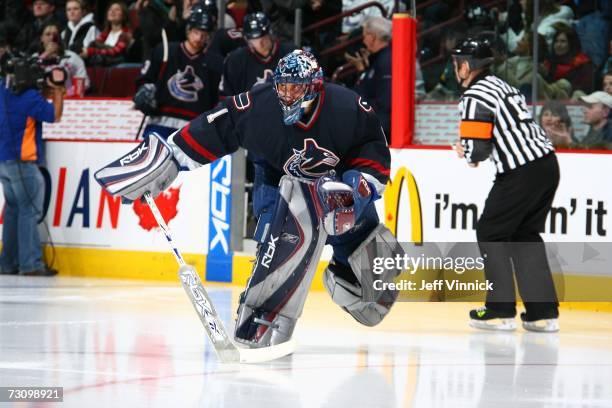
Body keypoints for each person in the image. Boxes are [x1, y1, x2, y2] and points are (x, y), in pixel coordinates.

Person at [96, 50, 400, 348]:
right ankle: (262, 320)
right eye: (283, 86)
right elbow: (217, 125)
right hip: (278, 178)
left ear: (314, 88)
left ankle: (354, 269)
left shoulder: (349, 107)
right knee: (279, 239)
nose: (287, 94)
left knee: (374, 298)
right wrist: (168, 158)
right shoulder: (259, 105)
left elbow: (372, 151)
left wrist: (356, 191)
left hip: (336, 186)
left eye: (295, 88)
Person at [451, 38, 560, 332]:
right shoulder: (502, 85)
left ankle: (499, 310)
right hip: (547, 165)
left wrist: (466, 151)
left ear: (466, 65)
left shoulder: (474, 96)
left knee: (490, 231)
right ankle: (543, 314)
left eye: (457, 62)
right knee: (525, 234)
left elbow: (478, 151)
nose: (455, 68)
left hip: (520, 171)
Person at [0, 40, 65, 276]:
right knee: (29, 211)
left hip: (3, 162)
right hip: (23, 162)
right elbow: (54, 116)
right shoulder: (28, 97)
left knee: (13, 210)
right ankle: (30, 264)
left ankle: (7, 263)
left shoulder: (2, 89)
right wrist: (58, 91)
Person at [133, 4, 222, 141]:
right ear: (188, 30)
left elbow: (217, 99)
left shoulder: (214, 63)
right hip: (160, 123)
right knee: (151, 162)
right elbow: (145, 79)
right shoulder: (165, 51)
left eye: (204, 35)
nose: (199, 38)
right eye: (196, 32)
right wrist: (143, 90)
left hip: (194, 129)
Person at [219, 12, 295, 97]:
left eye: (262, 36)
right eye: (254, 39)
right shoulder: (235, 61)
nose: (260, 43)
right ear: (246, 38)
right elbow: (226, 99)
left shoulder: (293, 54)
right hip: (249, 110)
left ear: (270, 33)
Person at [346, 16, 391, 140]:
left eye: (365, 36)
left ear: (372, 37)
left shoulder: (386, 61)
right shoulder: (377, 59)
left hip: (379, 129)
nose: (364, 41)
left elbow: (385, 101)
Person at [36, 22, 90, 97]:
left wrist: (67, 93)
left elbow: (85, 83)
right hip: (42, 99)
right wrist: (46, 54)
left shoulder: (72, 57)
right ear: (42, 38)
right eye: (48, 34)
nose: (52, 38)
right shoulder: (35, 58)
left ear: (60, 37)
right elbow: (30, 81)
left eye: (55, 35)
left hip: (67, 99)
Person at [81, 1, 133, 66]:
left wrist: (91, 51)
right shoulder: (104, 34)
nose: (112, 12)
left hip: (116, 65)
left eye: (117, 9)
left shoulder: (126, 34)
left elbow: (115, 52)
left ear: (124, 15)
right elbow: (94, 45)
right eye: (110, 9)